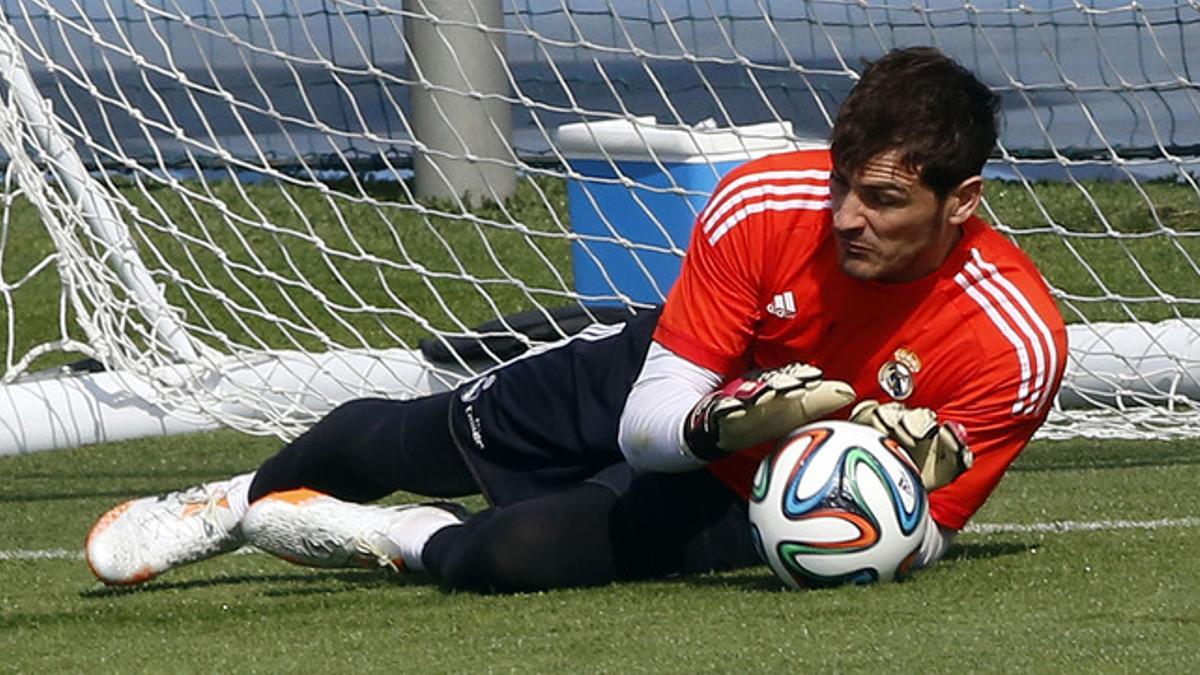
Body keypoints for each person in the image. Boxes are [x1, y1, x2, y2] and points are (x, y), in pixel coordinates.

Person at [84, 46, 1067, 592]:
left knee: (504, 557)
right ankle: (228, 502)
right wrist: (718, 420)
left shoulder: (1015, 343)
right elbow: (653, 418)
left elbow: (925, 532)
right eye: (843, 185)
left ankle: (387, 538)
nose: (848, 217)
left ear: (963, 201)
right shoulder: (766, 207)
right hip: (667, 378)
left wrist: (853, 494)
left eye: (884, 201)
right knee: (410, 438)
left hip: (740, 497)